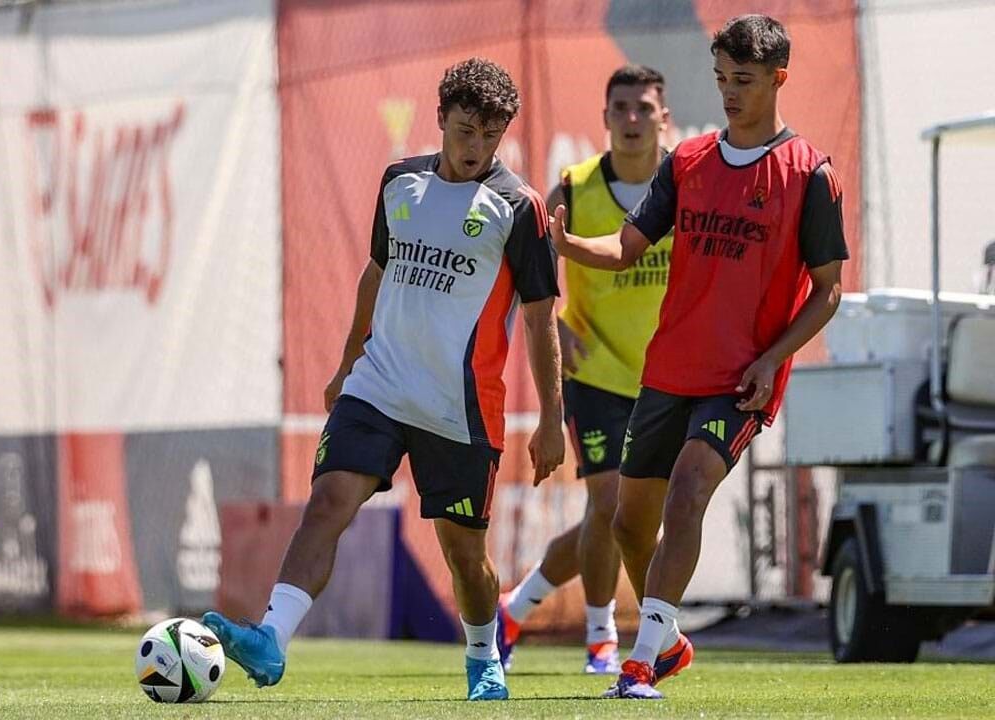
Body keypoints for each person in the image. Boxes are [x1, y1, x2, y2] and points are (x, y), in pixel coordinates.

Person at [203, 57, 566, 702]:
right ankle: (270, 638)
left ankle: (483, 655)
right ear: (440, 118)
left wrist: (551, 419)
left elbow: (540, 317)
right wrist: (347, 364)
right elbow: (377, 273)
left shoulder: (518, 207)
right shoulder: (400, 183)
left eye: (490, 135)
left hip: (458, 408)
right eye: (465, 131)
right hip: (378, 387)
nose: (476, 147)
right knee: (327, 503)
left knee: (464, 557)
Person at [551, 15, 848, 700]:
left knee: (687, 492)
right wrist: (570, 246)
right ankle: (671, 642)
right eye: (721, 78)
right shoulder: (686, 162)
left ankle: (638, 664)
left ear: (778, 78)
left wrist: (773, 360)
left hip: (739, 380)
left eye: (743, 79)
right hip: (669, 371)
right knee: (630, 524)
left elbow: (828, 290)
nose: (729, 92)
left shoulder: (809, 174)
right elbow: (626, 247)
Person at [497, 64, 674, 676]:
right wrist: (556, 321)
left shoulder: (686, 184)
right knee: (609, 503)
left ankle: (516, 607)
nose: (632, 119)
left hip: (668, 379)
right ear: (605, 118)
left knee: (628, 518)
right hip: (595, 373)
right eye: (621, 108)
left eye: (644, 108)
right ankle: (603, 637)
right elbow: (521, 267)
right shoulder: (572, 190)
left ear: (664, 118)